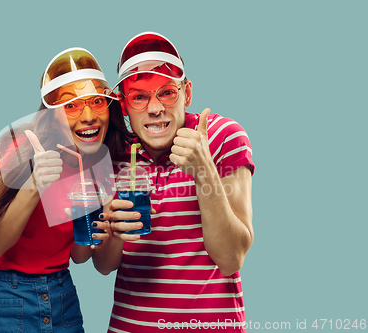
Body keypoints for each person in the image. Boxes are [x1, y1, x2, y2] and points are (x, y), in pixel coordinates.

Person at [92, 32, 255, 332]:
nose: (155, 108)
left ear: (187, 93)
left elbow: (232, 258)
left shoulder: (223, 137)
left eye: (166, 92)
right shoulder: (115, 154)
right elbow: (103, 266)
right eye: (140, 96)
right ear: (124, 105)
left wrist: (204, 169)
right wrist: (114, 231)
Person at [0, 47, 132, 333]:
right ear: (51, 116)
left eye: (96, 102)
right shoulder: (22, 147)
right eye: (72, 106)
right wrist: (35, 183)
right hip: (5, 297)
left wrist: (105, 223)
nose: (88, 115)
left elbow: (79, 256)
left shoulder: (97, 163)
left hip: (60, 292)